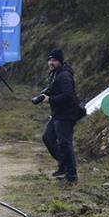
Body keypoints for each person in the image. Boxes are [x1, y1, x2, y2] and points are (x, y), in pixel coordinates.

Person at [39, 48, 79, 184]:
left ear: (60, 61)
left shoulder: (64, 76)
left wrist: (50, 99)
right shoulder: (55, 74)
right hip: (57, 113)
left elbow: (68, 95)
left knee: (65, 143)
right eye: (49, 60)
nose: (51, 63)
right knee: (47, 138)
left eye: (54, 60)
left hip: (66, 114)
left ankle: (71, 174)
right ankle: (63, 166)